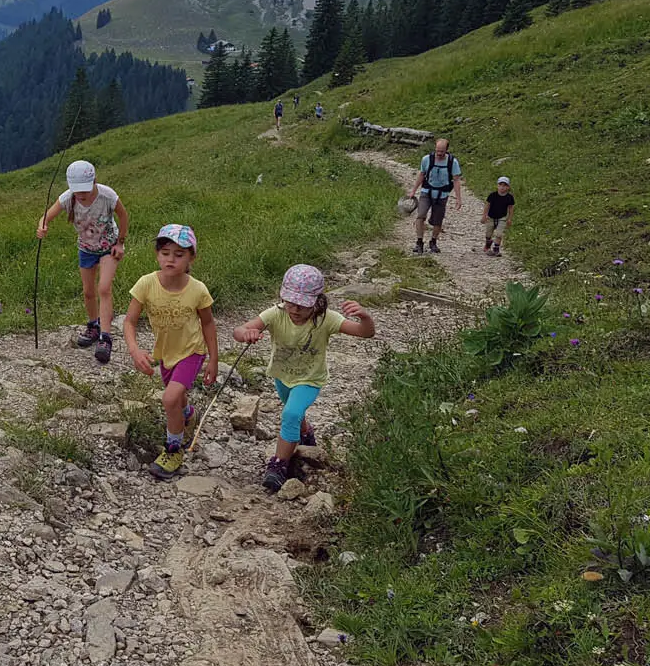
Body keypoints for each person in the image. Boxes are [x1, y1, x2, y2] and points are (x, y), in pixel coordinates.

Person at [232, 265, 376, 493]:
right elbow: (239, 330)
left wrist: (365, 317)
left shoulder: (326, 320)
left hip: (310, 379)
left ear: (317, 302)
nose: (295, 309)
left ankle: (278, 465)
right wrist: (247, 334)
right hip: (282, 376)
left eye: (302, 304)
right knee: (294, 412)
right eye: (290, 302)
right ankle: (306, 433)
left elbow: (365, 333)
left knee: (290, 413)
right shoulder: (276, 314)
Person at [123, 224, 218, 480]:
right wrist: (135, 350)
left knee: (169, 398)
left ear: (191, 258)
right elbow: (129, 321)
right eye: (165, 253)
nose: (171, 259)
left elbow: (208, 323)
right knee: (177, 399)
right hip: (165, 353)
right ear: (157, 255)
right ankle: (188, 416)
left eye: (179, 254)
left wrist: (213, 360)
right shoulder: (146, 284)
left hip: (192, 352)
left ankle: (173, 451)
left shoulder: (197, 290)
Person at [37, 160, 129, 363]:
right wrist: (43, 226)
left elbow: (123, 216)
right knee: (88, 291)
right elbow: (47, 216)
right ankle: (93, 326)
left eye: (85, 190)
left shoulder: (107, 196)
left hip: (108, 247)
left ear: (94, 181)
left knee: (104, 288)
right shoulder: (68, 198)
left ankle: (106, 337)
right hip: (86, 249)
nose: (81, 195)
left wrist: (120, 243)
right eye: (77, 191)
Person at [408, 137, 463, 254]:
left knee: (437, 220)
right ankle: (419, 242)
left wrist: (458, 199)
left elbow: (456, 180)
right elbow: (422, 175)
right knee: (420, 215)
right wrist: (413, 191)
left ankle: (433, 242)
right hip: (426, 192)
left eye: (442, 151)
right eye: (437, 150)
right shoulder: (427, 159)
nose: (439, 153)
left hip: (442, 195)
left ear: (447, 150)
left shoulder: (452, 162)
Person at [479, 176, 515, 256]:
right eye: (500, 185)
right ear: (497, 186)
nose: (502, 187)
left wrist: (509, 219)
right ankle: (488, 244)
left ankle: (496, 249)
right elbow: (487, 205)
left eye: (505, 185)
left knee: (499, 234)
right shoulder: (492, 195)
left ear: (508, 187)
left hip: (502, 217)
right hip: (491, 217)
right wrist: (484, 216)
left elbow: (511, 208)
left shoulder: (509, 197)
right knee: (488, 234)